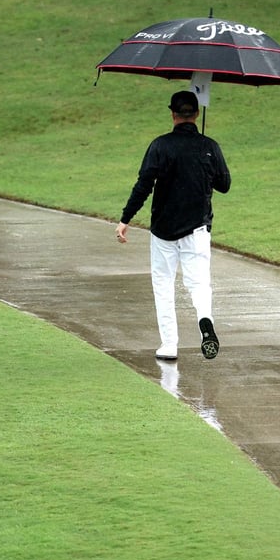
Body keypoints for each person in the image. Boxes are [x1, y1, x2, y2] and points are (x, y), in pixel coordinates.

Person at [116, 90, 231, 361]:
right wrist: (205, 165)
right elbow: (224, 185)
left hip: (163, 231)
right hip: (197, 229)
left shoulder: (160, 146)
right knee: (199, 283)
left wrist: (125, 219)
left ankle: (169, 346)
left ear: (173, 114)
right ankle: (205, 321)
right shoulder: (209, 146)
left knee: (164, 285)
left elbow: (144, 185)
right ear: (197, 114)